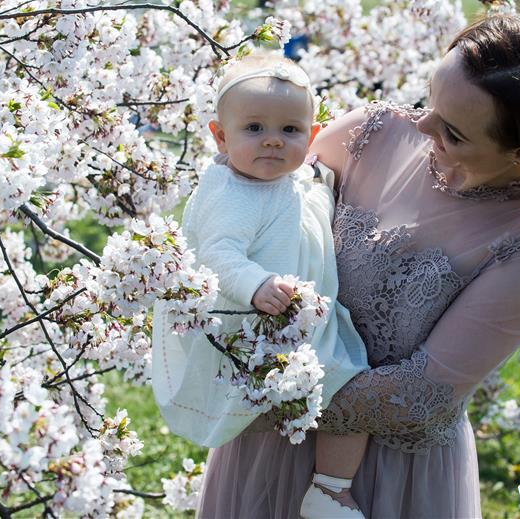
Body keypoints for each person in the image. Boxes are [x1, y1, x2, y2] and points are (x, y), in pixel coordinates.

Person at [197, 13, 520, 518]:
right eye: (430, 100)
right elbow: (251, 209)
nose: (421, 125)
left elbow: (420, 396)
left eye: (454, 131)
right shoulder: (369, 134)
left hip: (389, 476)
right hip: (263, 447)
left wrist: (265, 391)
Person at [151, 52, 373, 518]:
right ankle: (330, 487)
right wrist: (255, 284)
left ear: (312, 137)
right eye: (254, 129)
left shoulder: (295, 177)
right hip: (260, 317)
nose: (273, 142)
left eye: (289, 131)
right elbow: (217, 254)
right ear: (219, 135)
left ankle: (330, 486)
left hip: (301, 315)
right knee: (347, 384)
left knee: (350, 384)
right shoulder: (233, 193)